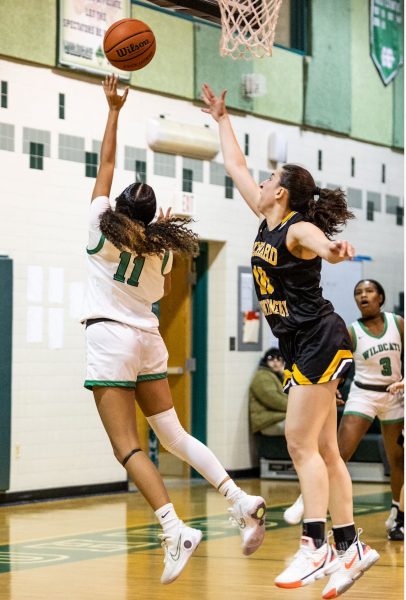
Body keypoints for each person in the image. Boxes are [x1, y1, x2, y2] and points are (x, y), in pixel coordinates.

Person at [82, 75, 266, 585]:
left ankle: (173, 528)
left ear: (119, 209)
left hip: (109, 338)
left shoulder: (100, 225)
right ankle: (238, 496)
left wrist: (114, 108)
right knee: (174, 434)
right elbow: (159, 281)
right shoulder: (162, 249)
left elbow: (105, 165)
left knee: (128, 448)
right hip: (148, 339)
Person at [201, 83, 379, 599]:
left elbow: (323, 247)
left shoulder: (298, 229)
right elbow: (235, 165)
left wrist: (339, 250)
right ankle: (351, 547)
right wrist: (222, 118)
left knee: (300, 444)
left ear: (280, 192)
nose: (258, 180)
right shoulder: (266, 218)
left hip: (319, 336)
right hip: (307, 340)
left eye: (268, 178)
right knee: (324, 449)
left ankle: (314, 543)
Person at [284, 280, 404, 540]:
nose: (364, 296)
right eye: (358, 292)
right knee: (339, 451)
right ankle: (307, 502)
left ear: (381, 297)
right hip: (363, 394)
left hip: (394, 394)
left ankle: (398, 514)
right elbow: (335, 360)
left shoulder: (398, 323)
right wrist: (333, 387)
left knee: (398, 460)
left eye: (369, 291)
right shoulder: (351, 331)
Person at [249, 347, 287, 437]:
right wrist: (297, 409)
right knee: (304, 428)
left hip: (276, 418)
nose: (275, 362)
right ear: (265, 361)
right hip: (267, 422)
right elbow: (274, 400)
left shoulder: (277, 376)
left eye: (279, 359)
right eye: (271, 358)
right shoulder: (263, 376)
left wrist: (285, 376)